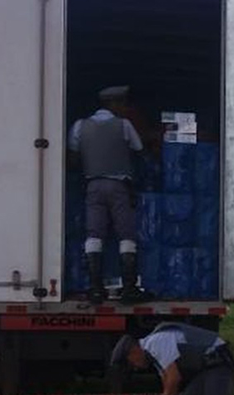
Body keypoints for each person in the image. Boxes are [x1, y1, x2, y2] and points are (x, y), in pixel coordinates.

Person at [68, 85, 152, 304]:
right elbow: (139, 148)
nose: (124, 107)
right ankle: (129, 288)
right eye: (122, 103)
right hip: (119, 186)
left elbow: (73, 157)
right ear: (113, 104)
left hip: (92, 185)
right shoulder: (124, 125)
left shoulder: (79, 126)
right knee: (126, 234)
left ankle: (96, 288)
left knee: (94, 233)